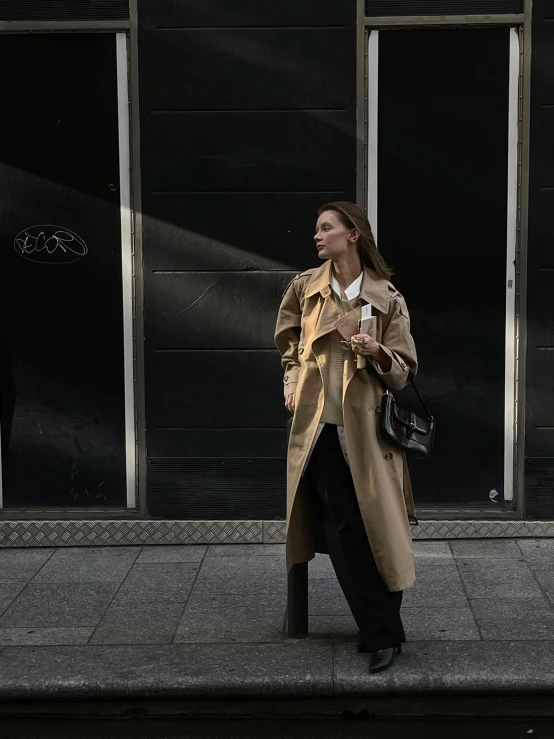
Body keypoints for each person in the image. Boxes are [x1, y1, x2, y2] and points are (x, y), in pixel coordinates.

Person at [274, 201, 418, 674]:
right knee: (344, 530)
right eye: (317, 229)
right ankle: (381, 632)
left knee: (378, 528)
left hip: (370, 434)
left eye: (326, 228)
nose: (317, 236)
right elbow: (289, 347)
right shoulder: (304, 288)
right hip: (319, 428)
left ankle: (383, 629)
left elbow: (402, 374)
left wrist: (377, 350)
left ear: (353, 234)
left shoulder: (387, 297)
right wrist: (292, 384)